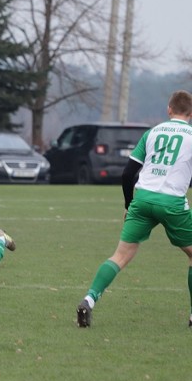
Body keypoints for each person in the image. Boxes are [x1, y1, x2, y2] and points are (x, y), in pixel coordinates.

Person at [76, 90, 192, 328]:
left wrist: (129, 205)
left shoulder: (152, 133)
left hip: (142, 199)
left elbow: (128, 173)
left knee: (120, 256)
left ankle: (89, 299)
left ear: (169, 109)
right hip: (172, 203)